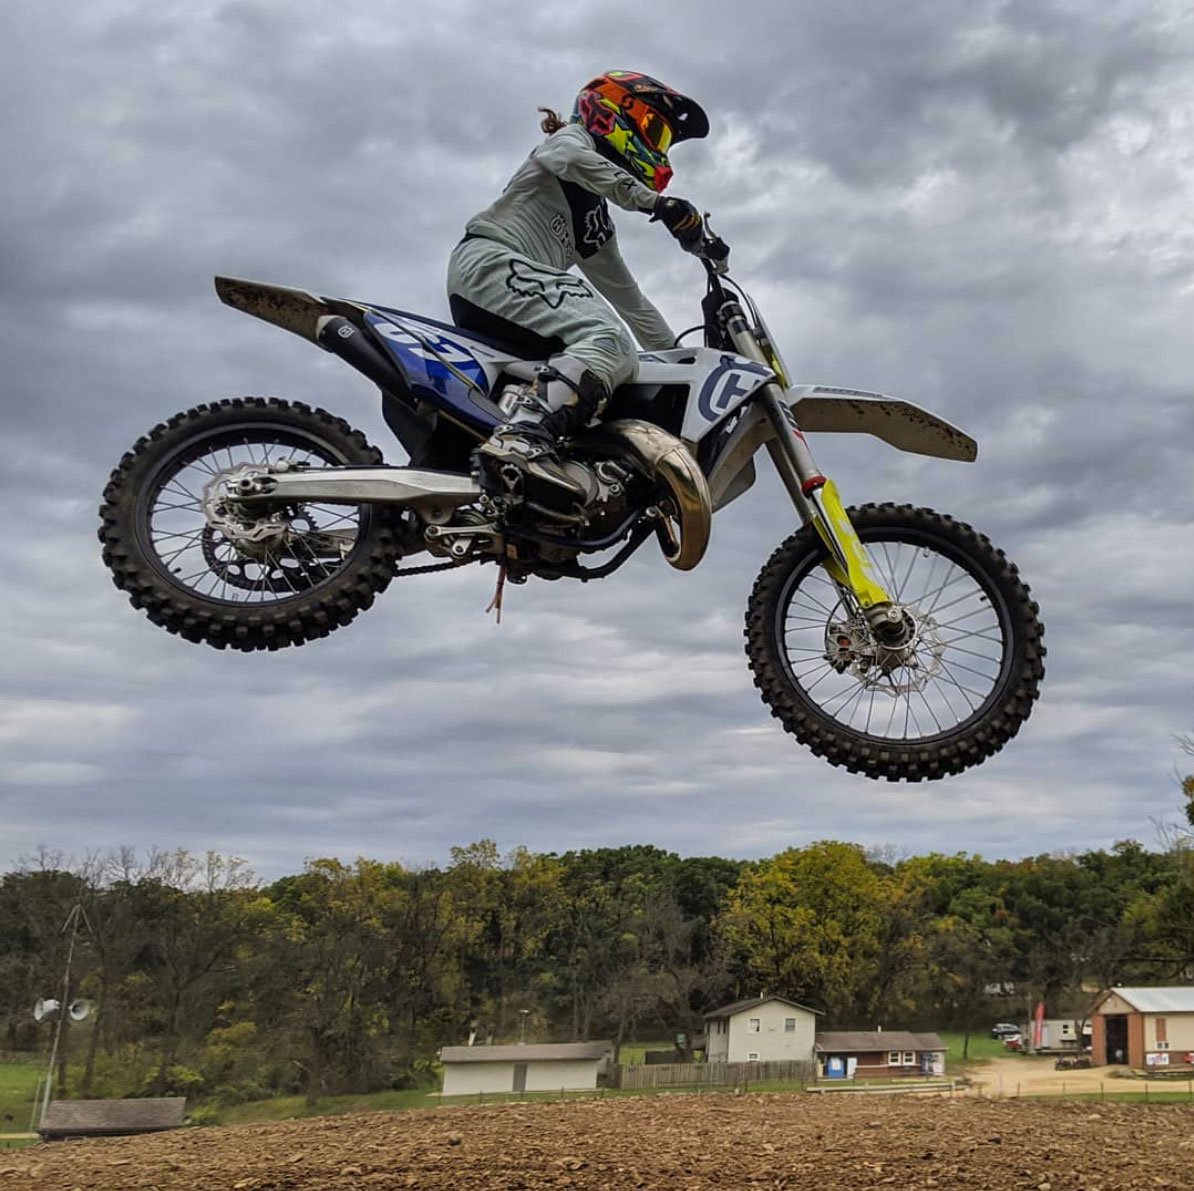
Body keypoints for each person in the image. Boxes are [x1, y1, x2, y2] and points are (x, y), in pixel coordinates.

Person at [446, 70, 709, 507]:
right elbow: (573, 161)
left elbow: (632, 302)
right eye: (655, 130)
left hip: (505, 283)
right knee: (607, 341)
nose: (658, 149)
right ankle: (523, 435)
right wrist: (654, 202)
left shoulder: (593, 222)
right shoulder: (569, 142)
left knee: (622, 365)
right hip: (492, 261)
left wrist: (685, 364)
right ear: (613, 112)